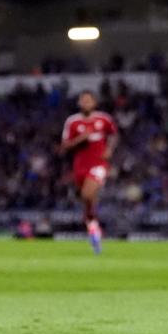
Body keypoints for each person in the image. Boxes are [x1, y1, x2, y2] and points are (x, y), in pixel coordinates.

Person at [59, 90, 118, 254]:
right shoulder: (72, 122)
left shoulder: (104, 119)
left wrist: (109, 149)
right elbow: (64, 146)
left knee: (87, 194)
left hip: (98, 164)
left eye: (88, 100)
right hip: (80, 166)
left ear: (94, 103)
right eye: (83, 101)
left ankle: (93, 225)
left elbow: (113, 135)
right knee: (87, 201)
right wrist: (81, 138)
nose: (86, 103)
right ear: (79, 103)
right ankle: (93, 228)